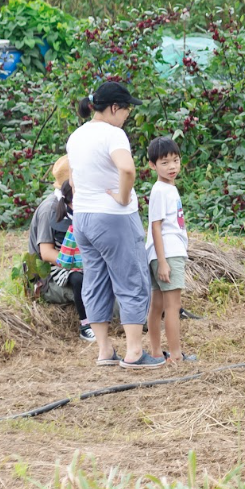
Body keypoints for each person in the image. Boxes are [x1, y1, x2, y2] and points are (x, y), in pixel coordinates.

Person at [67, 81, 164, 369]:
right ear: (113, 108)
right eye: (126, 110)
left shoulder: (76, 136)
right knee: (132, 279)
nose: (127, 116)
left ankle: (105, 351)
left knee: (95, 281)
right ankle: (134, 352)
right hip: (114, 218)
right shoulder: (113, 134)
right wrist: (122, 197)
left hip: (83, 218)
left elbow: (73, 180)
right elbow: (128, 168)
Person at [25, 156, 91, 340]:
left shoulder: (74, 205)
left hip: (72, 264)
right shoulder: (50, 209)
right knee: (90, 290)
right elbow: (47, 254)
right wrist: (83, 263)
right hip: (50, 277)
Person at [143, 136, 192, 363]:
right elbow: (156, 226)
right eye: (164, 162)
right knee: (173, 306)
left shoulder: (167, 188)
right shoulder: (161, 190)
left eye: (175, 160)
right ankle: (175, 355)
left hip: (162, 253)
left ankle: (155, 352)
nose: (172, 166)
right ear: (152, 165)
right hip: (168, 253)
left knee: (159, 304)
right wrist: (162, 261)